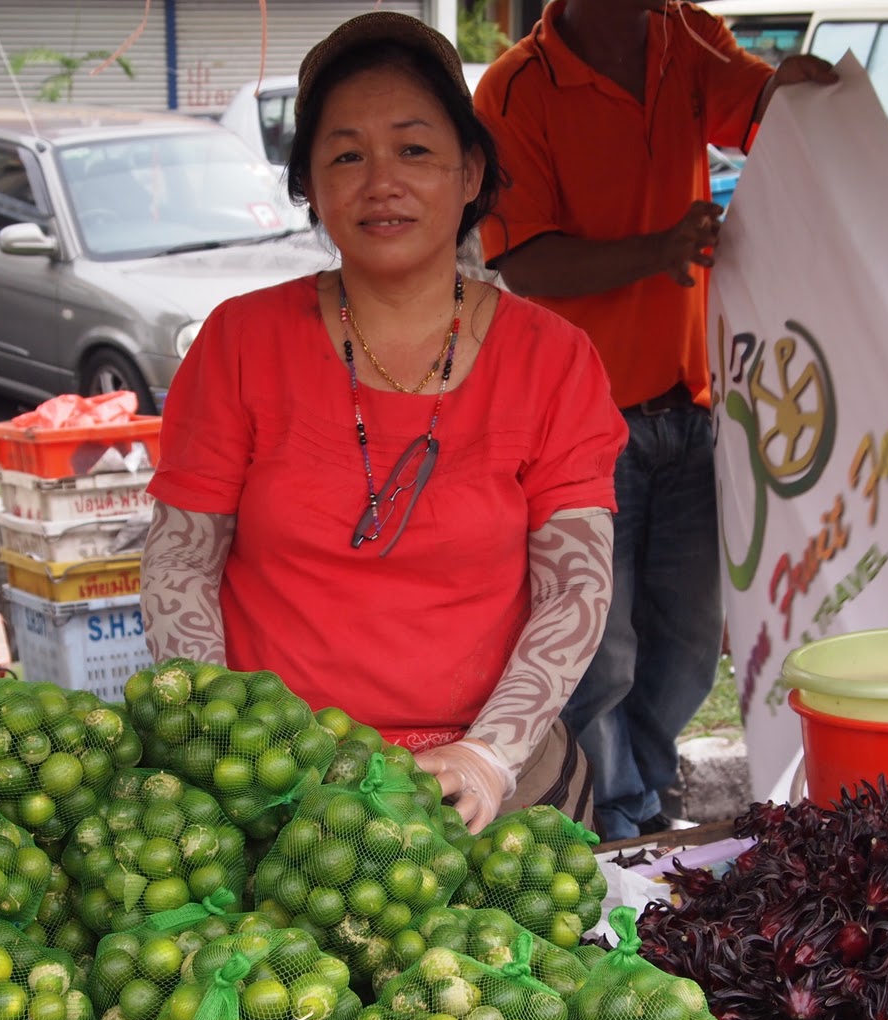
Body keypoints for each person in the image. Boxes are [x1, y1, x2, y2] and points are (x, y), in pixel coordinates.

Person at [140, 11, 627, 836]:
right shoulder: (239, 342)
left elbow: (575, 586)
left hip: (493, 791)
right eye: (346, 156)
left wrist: (490, 754)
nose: (381, 183)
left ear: (470, 172)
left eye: (414, 150)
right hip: (276, 788)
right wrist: (226, 738)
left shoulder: (554, 358)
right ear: (309, 185)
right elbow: (179, 563)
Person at [474, 1, 836, 840]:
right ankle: (614, 822)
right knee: (598, 653)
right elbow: (525, 263)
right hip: (578, 429)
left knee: (689, 643)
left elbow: (762, 107)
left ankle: (642, 794)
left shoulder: (688, 34)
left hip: (693, 410)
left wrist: (806, 93)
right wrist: (660, 249)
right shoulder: (514, 90)